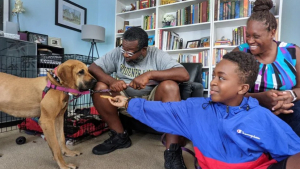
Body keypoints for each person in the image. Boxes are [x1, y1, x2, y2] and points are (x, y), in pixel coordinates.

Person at [108, 51, 300, 169]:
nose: (213, 82)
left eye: (222, 78)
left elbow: (290, 149)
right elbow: (162, 110)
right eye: (214, 75)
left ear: (242, 88)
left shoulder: (260, 116)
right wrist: (127, 103)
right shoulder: (195, 108)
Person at [88, 27, 190, 169]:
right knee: (99, 86)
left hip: (151, 100)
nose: (125, 55)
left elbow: (184, 74)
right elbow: (93, 67)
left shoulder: (157, 55)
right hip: (124, 100)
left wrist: (150, 75)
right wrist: (111, 81)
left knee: (170, 86)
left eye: (130, 52)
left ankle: (172, 151)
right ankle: (119, 137)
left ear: (143, 49)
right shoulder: (119, 53)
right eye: (123, 50)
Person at [233, 0, 300, 136]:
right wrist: (260, 99)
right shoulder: (240, 53)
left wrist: (290, 96)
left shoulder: (292, 51)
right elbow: (228, 92)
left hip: (288, 108)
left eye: (256, 36)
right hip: (249, 108)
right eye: (248, 35)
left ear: (272, 32)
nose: (250, 41)